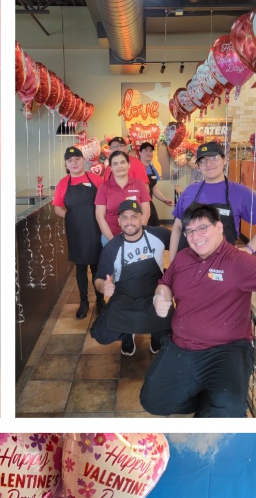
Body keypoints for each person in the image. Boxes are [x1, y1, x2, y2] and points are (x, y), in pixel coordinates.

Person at [141, 202, 256, 417]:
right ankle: (208, 399)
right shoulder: (183, 257)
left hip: (226, 350)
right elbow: (165, 283)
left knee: (227, 411)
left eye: (203, 228)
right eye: (190, 231)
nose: (196, 236)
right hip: (182, 345)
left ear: (219, 227)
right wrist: (161, 295)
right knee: (153, 402)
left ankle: (216, 405)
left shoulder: (238, 261)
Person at [91, 199, 171, 358]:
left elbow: (181, 243)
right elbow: (98, 278)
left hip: (154, 297)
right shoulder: (112, 248)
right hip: (124, 299)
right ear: (119, 221)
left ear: (142, 218)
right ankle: (127, 335)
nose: (129, 222)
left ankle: (156, 336)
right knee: (101, 334)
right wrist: (102, 287)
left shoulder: (159, 235)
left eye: (134, 216)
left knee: (170, 337)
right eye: (125, 217)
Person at [168, 141, 256, 261]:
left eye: (213, 158)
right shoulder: (189, 191)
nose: (208, 164)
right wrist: (172, 263)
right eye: (203, 161)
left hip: (223, 263)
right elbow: (177, 228)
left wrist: (250, 249)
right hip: (188, 263)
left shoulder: (240, 192)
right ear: (198, 166)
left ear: (224, 160)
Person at [52, 146, 103, 319]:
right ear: (66, 164)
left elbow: (104, 203)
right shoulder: (63, 183)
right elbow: (58, 208)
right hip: (76, 231)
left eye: (77, 159)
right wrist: (72, 216)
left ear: (83, 160)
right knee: (80, 268)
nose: (74, 163)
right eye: (70, 160)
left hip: (96, 229)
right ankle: (83, 302)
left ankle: (101, 300)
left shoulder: (96, 179)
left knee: (97, 267)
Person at [95, 149, 151, 243]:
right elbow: (100, 217)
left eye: (122, 162)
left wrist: (137, 234)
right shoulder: (104, 187)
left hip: (136, 236)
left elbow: (146, 212)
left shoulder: (139, 184)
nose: (119, 166)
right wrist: (112, 241)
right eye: (115, 164)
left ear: (128, 165)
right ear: (111, 168)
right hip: (110, 236)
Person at [138, 141, 173, 225]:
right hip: (137, 205)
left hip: (149, 203)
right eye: (146, 150)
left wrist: (164, 200)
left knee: (154, 227)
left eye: (151, 151)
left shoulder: (153, 169)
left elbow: (155, 189)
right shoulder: (134, 168)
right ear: (140, 153)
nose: (149, 153)